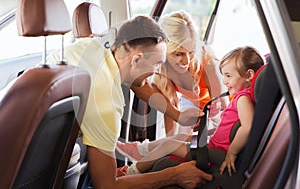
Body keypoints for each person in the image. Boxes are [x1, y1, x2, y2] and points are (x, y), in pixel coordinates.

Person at [47, 15, 212, 188]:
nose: (158, 72)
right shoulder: (106, 106)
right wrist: (174, 176)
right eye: (157, 64)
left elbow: (137, 82)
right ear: (136, 59)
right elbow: (107, 186)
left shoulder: (90, 48)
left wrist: (178, 115)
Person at [117, 46, 264, 177]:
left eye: (229, 76)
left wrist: (232, 153)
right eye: (224, 75)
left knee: (170, 145)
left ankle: (132, 172)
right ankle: (142, 150)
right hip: (212, 145)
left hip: (214, 153)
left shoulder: (242, 99)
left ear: (249, 75)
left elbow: (247, 127)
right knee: (181, 136)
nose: (224, 81)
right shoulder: (245, 98)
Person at [131, 10, 227, 138]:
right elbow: (171, 114)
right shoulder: (163, 71)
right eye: (178, 54)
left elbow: (225, 110)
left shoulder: (209, 66)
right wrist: (171, 144)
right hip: (198, 111)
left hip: (227, 112)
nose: (187, 61)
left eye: (191, 51)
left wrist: (212, 114)